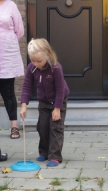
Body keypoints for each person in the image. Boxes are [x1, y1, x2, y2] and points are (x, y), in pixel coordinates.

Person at [20, 38, 70, 167]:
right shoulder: (32, 68)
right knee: (42, 127)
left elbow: (60, 89)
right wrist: (24, 105)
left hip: (58, 101)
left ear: (47, 54)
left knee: (55, 128)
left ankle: (55, 156)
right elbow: (27, 86)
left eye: (39, 60)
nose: (36, 63)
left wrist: (57, 108)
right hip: (43, 102)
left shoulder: (55, 67)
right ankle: (44, 152)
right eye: (33, 60)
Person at [0, 0, 24, 139]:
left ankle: (14, 127)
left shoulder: (11, 5)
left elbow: (19, 31)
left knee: (8, 92)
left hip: (7, 54)